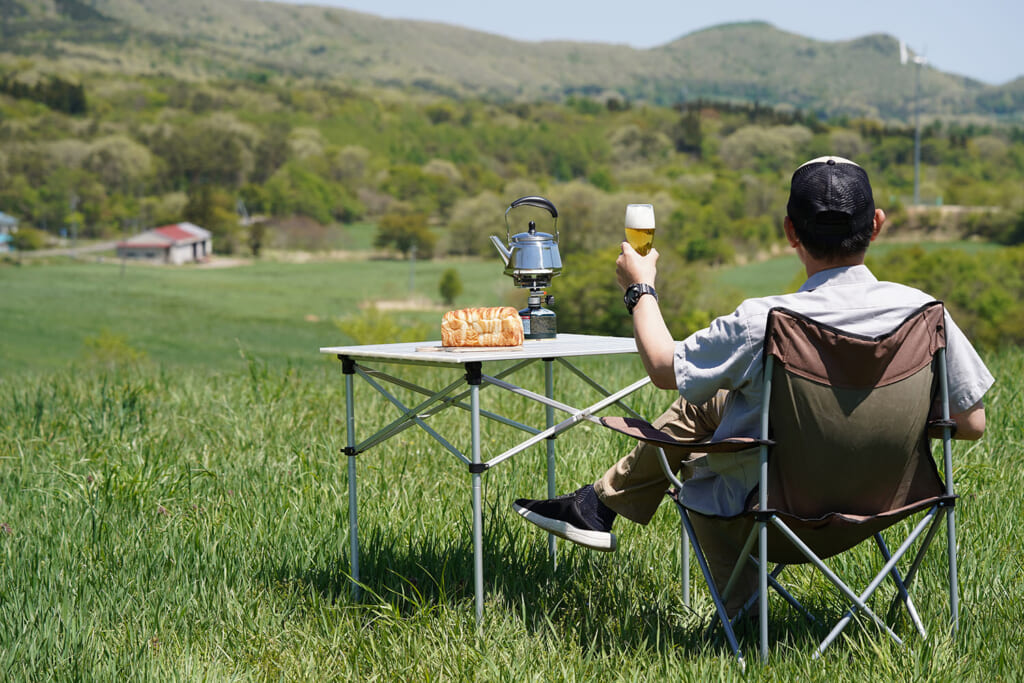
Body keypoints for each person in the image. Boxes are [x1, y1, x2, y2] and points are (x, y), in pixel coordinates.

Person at [513, 156, 995, 614]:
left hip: (776, 517)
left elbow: (663, 368)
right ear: (876, 224)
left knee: (700, 468)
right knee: (710, 403)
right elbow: (971, 422)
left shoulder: (764, 321)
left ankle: (744, 615)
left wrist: (640, 287)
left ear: (790, 232)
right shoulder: (925, 313)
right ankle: (598, 504)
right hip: (890, 505)